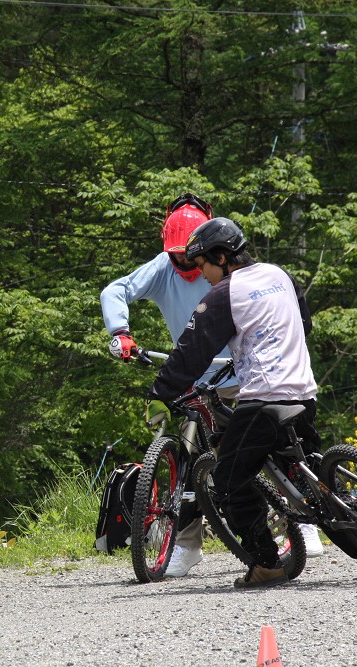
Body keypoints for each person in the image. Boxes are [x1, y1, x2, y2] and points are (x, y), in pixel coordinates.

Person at [147, 217, 321, 588]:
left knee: (227, 479)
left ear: (222, 256)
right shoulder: (280, 275)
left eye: (202, 265)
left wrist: (159, 394)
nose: (201, 274)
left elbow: (191, 355)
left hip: (262, 399)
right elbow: (304, 325)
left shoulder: (225, 292)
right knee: (307, 472)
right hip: (304, 391)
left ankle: (268, 564)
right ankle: (348, 522)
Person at [100, 193, 239, 578]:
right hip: (194, 379)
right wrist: (121, 333)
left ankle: (302, 524)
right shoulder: (163, 268)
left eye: (191, 254)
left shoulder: (225, 265)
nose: (186, 262)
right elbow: (115, 290)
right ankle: (187, 545)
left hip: (239, 374)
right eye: (178, 254)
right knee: (190, 461)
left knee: (262, 445)